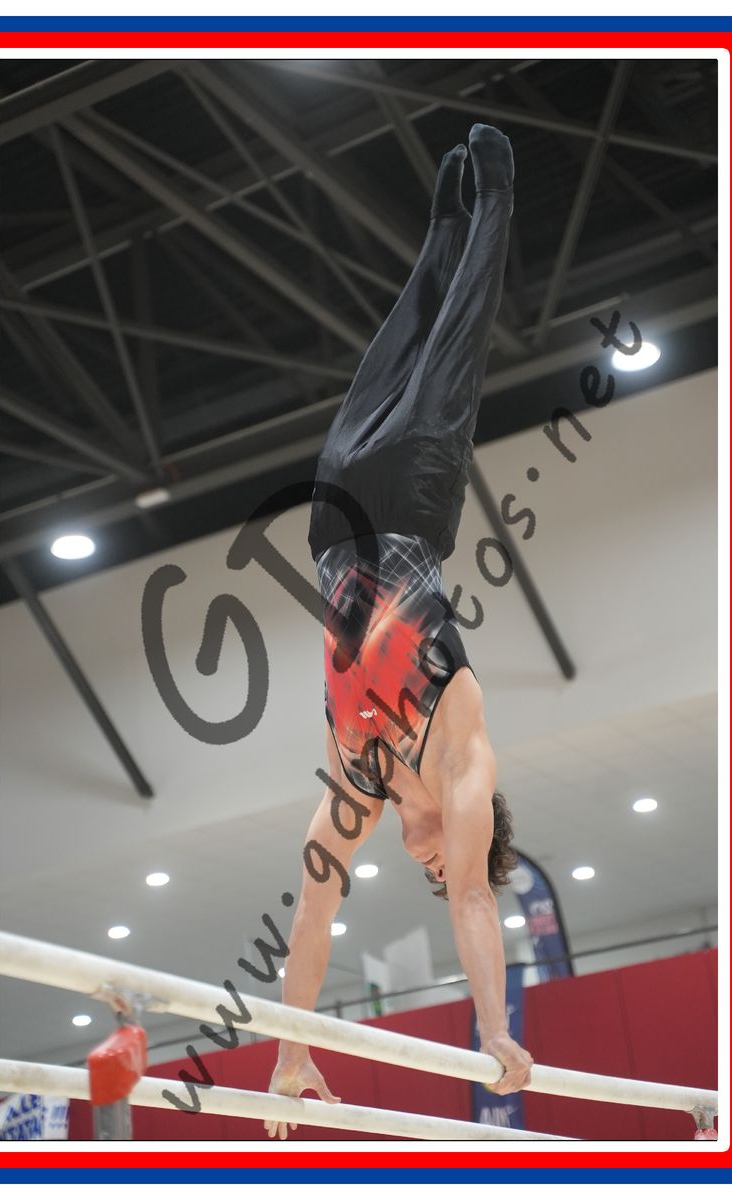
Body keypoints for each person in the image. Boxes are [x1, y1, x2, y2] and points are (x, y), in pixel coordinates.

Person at [264, 124, 533, 1140]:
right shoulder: (465, 765)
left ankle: (439, 229)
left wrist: (291, 1052)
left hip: (334, 522)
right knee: (451, 348)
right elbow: (474, 903)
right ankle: (493, 200)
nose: (429, 862)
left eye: (428, 866)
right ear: (471, 828)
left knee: (391, 346)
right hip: (416, 503)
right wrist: (496, 1030)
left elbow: (311, 913)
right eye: (440, 862)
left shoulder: (357, 787)